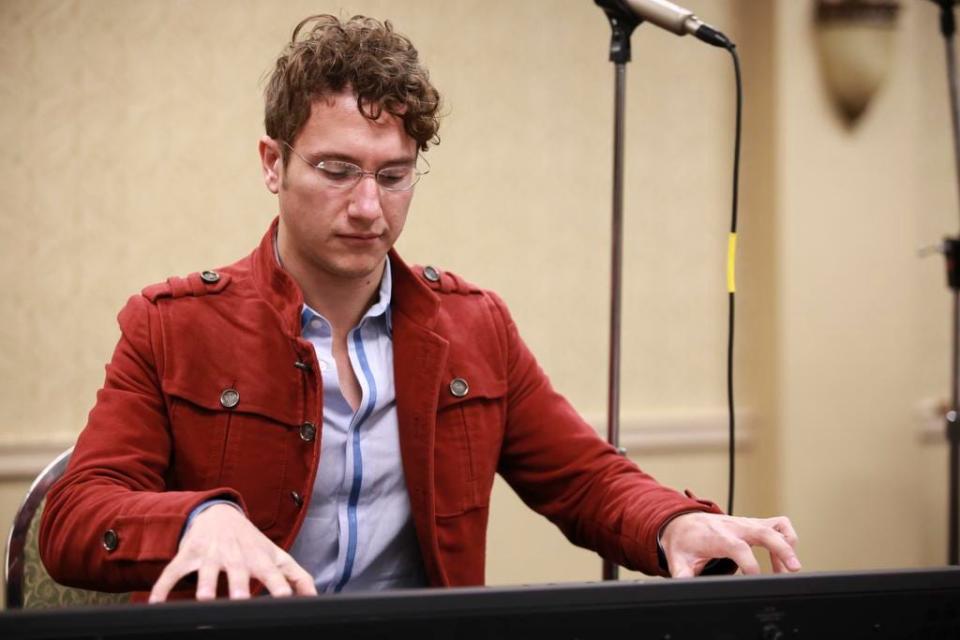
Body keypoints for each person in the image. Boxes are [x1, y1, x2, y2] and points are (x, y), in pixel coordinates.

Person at [39, 14, 800, 603]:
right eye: (337, 171)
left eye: (394, 176)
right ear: (273, 164)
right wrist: (198, 519)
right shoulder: (172, 325)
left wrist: (673, 521)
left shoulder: (473, 326)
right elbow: (72, 519)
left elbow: (585, 479)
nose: (369, 206)